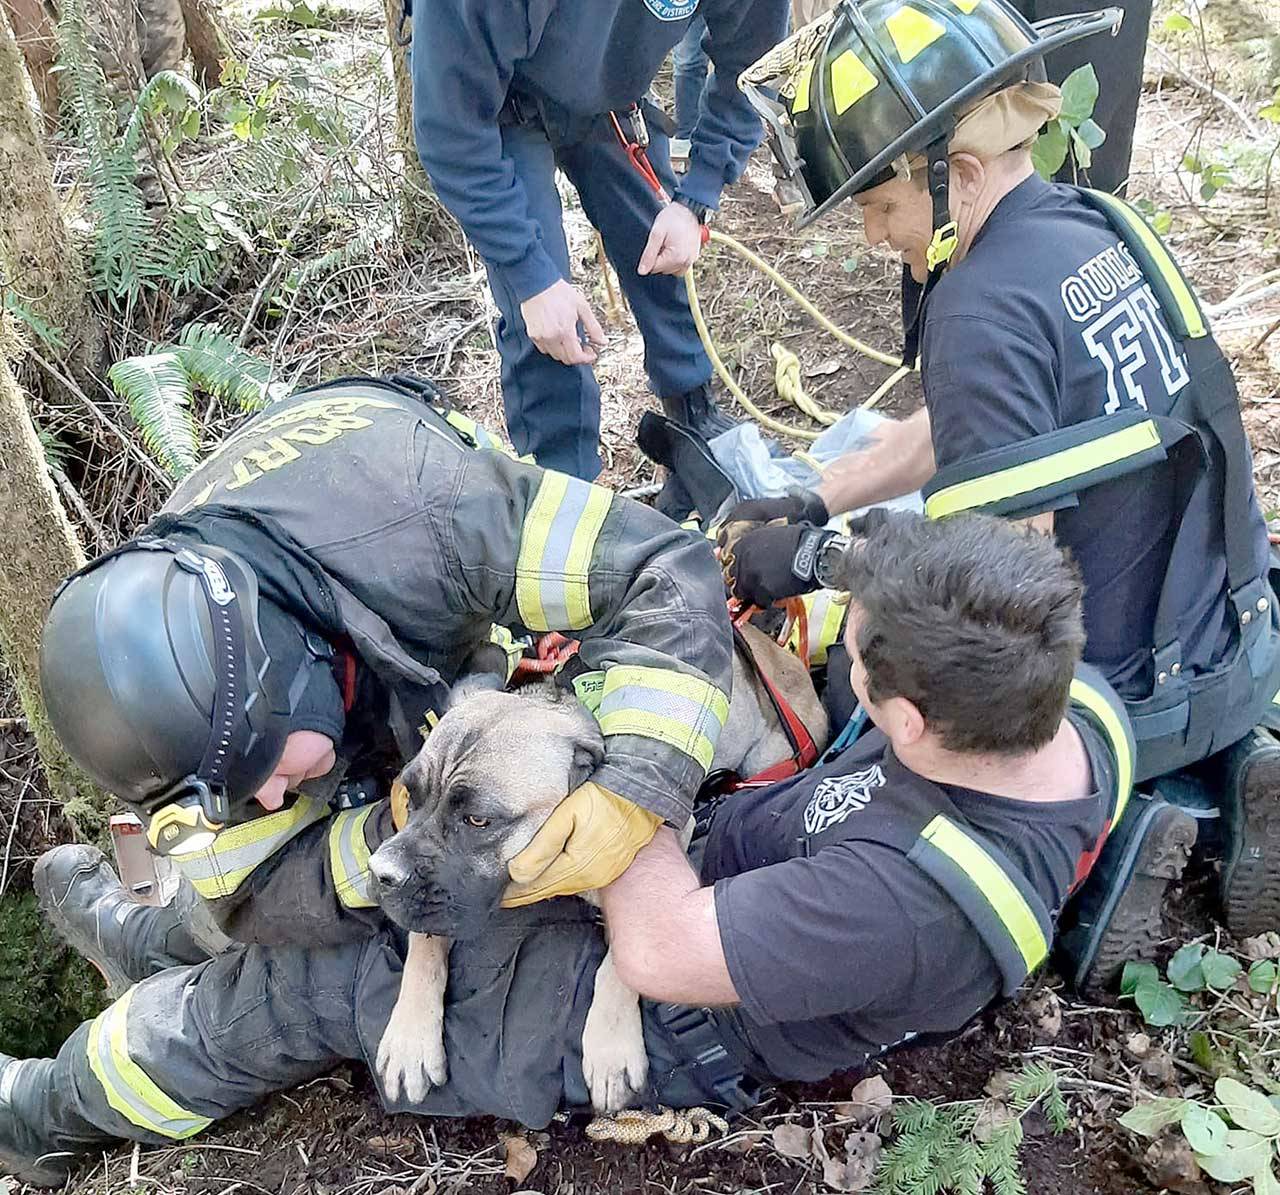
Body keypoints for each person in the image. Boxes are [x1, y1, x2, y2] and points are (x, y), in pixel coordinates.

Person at [0, 512, 1132, 1186]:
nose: (851, 658)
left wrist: (627, 777)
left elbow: (657, 950)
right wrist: (795, 561)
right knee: (371, 890)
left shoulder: (906, 905)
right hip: (694, 875)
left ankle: (45, 1114)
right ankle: (143, 931)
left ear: (908, 726)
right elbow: (854, 637)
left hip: (671, 1000)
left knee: (312, 980)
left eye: (864, 666)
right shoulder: (1052, 697)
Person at [725, 0, 1280, 987]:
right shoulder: (1085, 227)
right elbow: (976, 421)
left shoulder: (976, 312)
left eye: (880, 202)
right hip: (1231, 630)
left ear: (958, 175)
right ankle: (1226, 763)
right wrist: (820, 493)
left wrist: (816, 566)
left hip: (1120, 697)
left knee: (887, 699)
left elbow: (992, 607)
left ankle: (1097, 847)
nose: (868, 232)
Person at [32, 373, 734, 984]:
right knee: (262, 935)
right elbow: (247, 886)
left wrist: (632, 792)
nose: (270, 796)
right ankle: (142, 941)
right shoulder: (165, 705)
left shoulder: (432, 514)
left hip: (407, 566)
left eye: (263, 768)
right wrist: (403, 836)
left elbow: (663, 572)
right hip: (350, 663)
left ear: (291, 677)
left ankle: (145, 943)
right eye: (242, 788)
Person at [410, 1, 788, 485]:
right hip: (497, 103)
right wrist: (531, 276)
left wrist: (696, 200)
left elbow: (752, 62)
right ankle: (564, 489)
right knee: (547, 328)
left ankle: (692, 421)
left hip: (608, 90)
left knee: (657, 250)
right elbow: (451, 127)